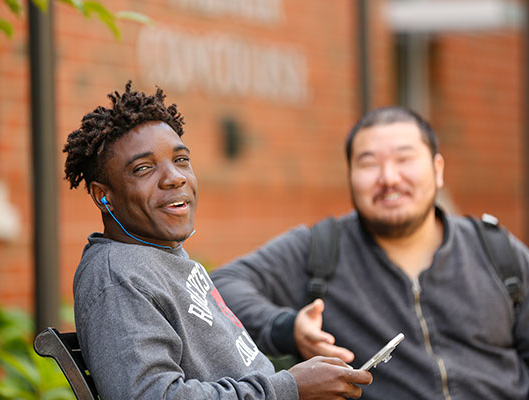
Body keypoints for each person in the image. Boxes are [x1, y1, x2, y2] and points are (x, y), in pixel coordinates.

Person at [62, 81, 372, 399]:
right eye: (143, 169)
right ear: (104, 196)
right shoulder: (117, 276)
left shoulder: (159, 256)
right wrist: (289, 388)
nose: (175, 177)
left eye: (181, 160)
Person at [211, 106, 529, 399]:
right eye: (368, 163)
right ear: (350, 175)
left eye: (404, 159)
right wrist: (287, 327)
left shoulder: (496, 249)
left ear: (437, 168)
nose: (389, 178)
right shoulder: (320, 249)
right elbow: (219, 286)